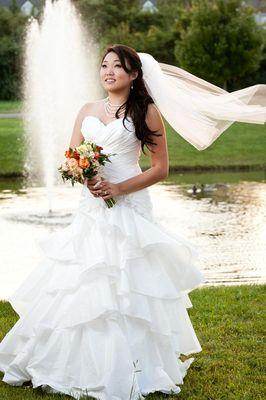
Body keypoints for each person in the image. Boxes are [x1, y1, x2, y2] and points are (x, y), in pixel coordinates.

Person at [0, 44, 212, 399]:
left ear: (134, 75)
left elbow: (160, 169)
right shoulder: (86, 109)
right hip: (91, 207)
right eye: (104, 65)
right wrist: (87, 176)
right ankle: (74, 363)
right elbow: (71, 158)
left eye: (118, 66)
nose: (108, 71)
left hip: (131, 206)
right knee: (84, 279)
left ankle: (136, 364)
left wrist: (118, 187)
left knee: (129, 281)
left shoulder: (147, 113)